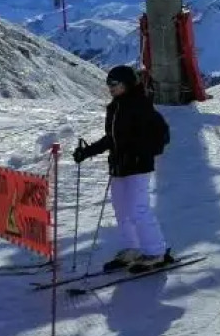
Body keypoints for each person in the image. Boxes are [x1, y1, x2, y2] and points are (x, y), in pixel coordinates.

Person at [71, 65, 175, 273]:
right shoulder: (115, 106)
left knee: (138, 209)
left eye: (114, 84)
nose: (110, 88)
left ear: (126, 84)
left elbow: (162, 135)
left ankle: (156, 252)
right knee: (122, 210)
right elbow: (112, 138)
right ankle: (133, 249)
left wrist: (141, 152)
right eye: (108, 84)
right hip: (119, 166)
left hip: (137, 166)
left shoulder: (140, 105)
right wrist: (87, 152)